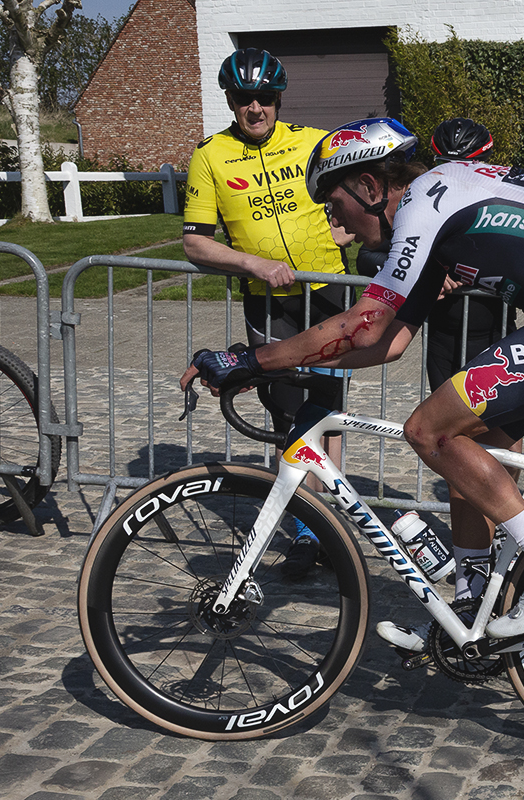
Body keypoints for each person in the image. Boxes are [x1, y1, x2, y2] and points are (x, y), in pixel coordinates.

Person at [180, 117, 524, 641]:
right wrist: (282, 364)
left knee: (428, 429)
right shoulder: (436, 218)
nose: (339, 225)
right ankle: (470, 616)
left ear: (370, 186)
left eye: (336, 205)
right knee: (465, 459)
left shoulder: (424, 204)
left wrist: (252, 359)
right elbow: (388, 343)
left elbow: (361, 326)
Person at [182, 47, 351, 580]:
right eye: (243, 99)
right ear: (230, 101)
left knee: (327, 411)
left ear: (278, 99)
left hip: (328, 292)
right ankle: (305, 529)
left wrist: (354, 230)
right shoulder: (210, 155)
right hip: (269, 303)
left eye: (264, 98)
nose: (255, 108)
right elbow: (195, 243)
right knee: (286, 412)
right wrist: (252, 262)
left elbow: (359, 199)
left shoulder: (313, 142)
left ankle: (332, 520)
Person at [373, 117, 519, 658]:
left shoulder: (495, 194)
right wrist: (436, 279)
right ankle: (469, 593)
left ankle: (506, 593)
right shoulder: (429, 204)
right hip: (447, 349)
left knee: (504, 465)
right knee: (458, 471)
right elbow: (376, 255)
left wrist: (472, 272)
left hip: (495, 344)